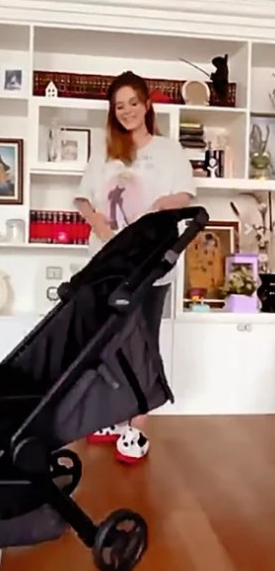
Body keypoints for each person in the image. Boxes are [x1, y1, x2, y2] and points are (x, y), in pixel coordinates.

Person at [73, 70, 196, 465]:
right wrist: (100, 225)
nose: (126, 111)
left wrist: (159, 206)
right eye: (119, 106)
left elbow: (185, 194)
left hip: (150, 262)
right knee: (107, 340)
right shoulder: (105, 151)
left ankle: (137, 424)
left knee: (143, 342)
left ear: (146, 105)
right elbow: (82, 199)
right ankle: (113, 415)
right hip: (108, 261)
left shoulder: (168, 150)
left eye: (132, 103)